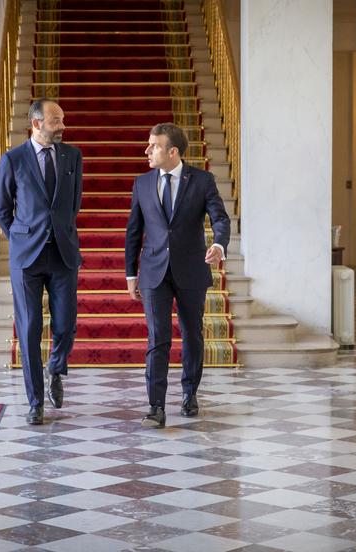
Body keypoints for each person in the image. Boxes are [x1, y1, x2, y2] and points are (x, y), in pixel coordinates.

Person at [125, 123, 230, 428]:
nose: (147, 151)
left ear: (172, 151)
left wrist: (219, 245)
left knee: (192, 334)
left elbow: (220, 218)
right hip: (154, 271)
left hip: (191, 269)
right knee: (158, 338)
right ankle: (156, 406)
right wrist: (131, 273)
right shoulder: (142, 183)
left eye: (153, 146)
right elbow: (134, 231)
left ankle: (189, 393)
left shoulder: (202, 180)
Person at [0, 98, 83, 425]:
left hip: (62, 252)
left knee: (65, 324)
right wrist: (19, 236)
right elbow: (1, 209)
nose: (62, 126)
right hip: (26, 257)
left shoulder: (73, 156)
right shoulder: (13, 159)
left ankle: (56, 368)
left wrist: (60, 231)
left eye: (62, 119)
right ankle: (35, 402)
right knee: (29, 328)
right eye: (56, 120)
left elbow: (74, 203)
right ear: (36, 124)